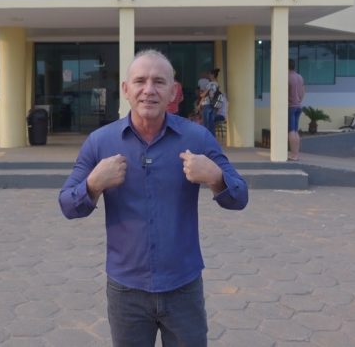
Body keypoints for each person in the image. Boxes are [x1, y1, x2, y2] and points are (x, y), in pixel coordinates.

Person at [59, 50, 248, 347]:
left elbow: (240, 196)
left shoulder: (197, 139)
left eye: (159, 82)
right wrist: (93, 185)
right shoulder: (100, 142)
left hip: (183, 287)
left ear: (173, 92)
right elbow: (68, 205)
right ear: (126, 89)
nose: (149, 90)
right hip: (126, 290)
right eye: (140, 81)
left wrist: (216, 177)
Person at [288, 59, 305, 161]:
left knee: (291, 131)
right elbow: (303, 92)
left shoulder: (287, 77)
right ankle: (296, 154)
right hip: (298, 106)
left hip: (291, 107)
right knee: (295, 131)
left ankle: (293, 155)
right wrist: (298, 101)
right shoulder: (300, 77)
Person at [199, 68, 220, 136]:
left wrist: (201, 94)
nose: (209, 76)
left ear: (213, 75)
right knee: (211, 125)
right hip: (212, 105)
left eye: (210, 74)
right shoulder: (217, 84)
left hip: (207, 105)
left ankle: (207, 140)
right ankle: (212, 140)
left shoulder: (211, 84)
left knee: (206, 125)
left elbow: (204, 95)